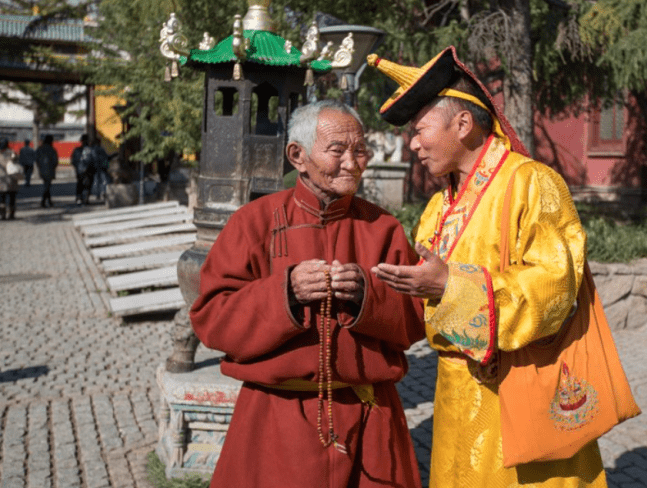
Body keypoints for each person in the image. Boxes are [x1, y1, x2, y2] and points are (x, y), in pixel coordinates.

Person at [369, 47, 607, 487]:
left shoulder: (532, 183)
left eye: (420, 131)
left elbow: (556, 288)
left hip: (516, 396)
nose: (413, 144)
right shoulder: (438, 208)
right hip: (454, 398)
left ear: (462, 124)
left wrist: (452, 286)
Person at [189, 100, 425, 488]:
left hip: (369, 413)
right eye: (338, 150)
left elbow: (417, 316)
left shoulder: (383, 228)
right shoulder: (254, 222)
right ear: (298, 156)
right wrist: (285, 292)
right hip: (276, 418)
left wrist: (369, 297)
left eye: (360, 150)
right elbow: (212, 318)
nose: (353, 163)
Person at [0, 137, 21, 220]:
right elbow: (17, 162)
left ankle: (2, 215)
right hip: (12, 178)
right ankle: (11, 214)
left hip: (1, 180)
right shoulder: (12, 153)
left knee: (2, 198)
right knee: (12, 197)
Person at [35, 135, 58, 208]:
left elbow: (36, 158)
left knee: (46, 185)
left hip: (42, 169)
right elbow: (55, 161)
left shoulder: (40, 148)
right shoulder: (52, 149)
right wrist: (53, 167)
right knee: (47, 186)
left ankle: (49, 201)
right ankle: (43, 201)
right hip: (50, 170)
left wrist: (40, 166)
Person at [71, 134, 91, 204]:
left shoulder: (77, 150)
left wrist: (77, 167)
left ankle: (79, 198)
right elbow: (92, 160)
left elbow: (73, 161)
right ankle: (84, 198)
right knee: (86, 185)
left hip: (79, 170)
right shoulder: (89, 150)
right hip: (87, 171)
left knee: (80, 184)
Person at [89, 137, 110, 201]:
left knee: (96, 181)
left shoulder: (92, 150)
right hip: (102, 168)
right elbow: (106, 158)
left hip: (95, 168)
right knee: (103, 180)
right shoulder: (101, 149)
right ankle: (103, 192)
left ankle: (97, 194)